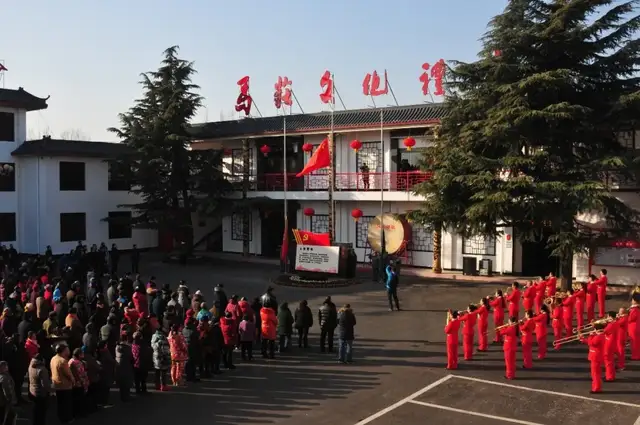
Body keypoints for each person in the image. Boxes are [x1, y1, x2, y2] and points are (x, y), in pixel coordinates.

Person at [50, 344, 74, 424]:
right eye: (67, 350)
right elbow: (68, 374)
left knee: (60, 403)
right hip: (65, 386)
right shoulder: (63, 361)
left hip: (56, 384)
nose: (68, 351)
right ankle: (66, 418)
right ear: (64, 351)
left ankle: (60, 417)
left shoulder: (53, 358)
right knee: (66, 403)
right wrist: (73, 381)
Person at [28, 353, 51, 425]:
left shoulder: (31, 365)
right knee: (41, 412)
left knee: (35, 410)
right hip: (41, 393)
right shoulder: (42, 369)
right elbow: (45, 384)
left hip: (32, 391)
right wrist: (50, 390)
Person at [584, 325, 605, 393]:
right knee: (596, 373)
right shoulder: (600, 336)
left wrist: (590, 335)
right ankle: (596, 387)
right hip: (596, 356)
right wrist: (583, 339)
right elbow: (590, 342)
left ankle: (596, 388)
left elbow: (591, 343)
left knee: (595, 374)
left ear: (597, 330)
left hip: (595, 357)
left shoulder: (598, 337)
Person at [69, 348, 88, 418]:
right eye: (82, 353)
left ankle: (74, 413)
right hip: (79, 384)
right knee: (80, 400)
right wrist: (85, 383)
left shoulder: (71, 360)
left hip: (73, 384)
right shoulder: (78, 363)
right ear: (79, 355)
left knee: (74, 400)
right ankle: (80, 414)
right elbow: (82, 374)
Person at [115, 334, 134, 401]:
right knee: (127, 381)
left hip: (119, 365)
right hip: (126, 365)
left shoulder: (117, 347)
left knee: (121, 382)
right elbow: (131, 357)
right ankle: (127, 396)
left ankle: (122, 396)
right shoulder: (127, 347)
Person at [603, 311, 619, 382]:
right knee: (611, 361)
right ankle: (610, 375)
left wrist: (596, 326)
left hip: (609, 343)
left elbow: (604, 331)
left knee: (608, 361)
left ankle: (609, 377)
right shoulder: (615, 323)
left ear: (610, 317)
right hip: (612, 343)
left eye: (608, 316)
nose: (607, 318)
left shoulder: (611, 324)